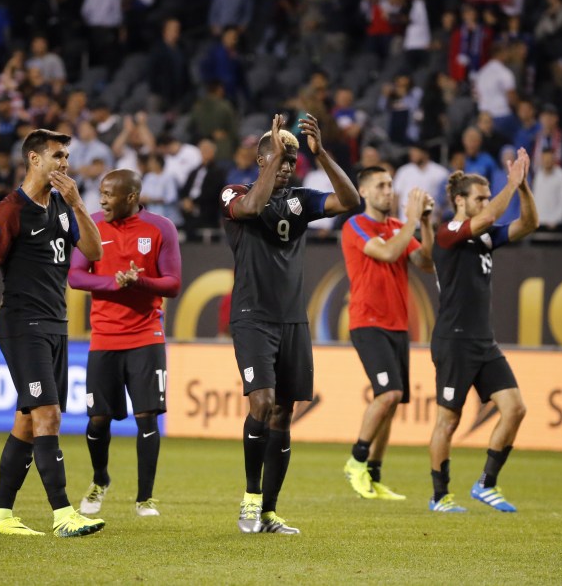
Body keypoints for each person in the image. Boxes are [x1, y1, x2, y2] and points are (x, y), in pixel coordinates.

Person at [0, 129, 106, 537]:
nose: (64, 163)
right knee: (47, 416)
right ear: (34, 159)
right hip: (23, 325)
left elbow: (95, 252)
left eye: (67, 156)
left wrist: (78, 204)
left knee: (25, 422)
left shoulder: (61, 205)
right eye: (57, 155)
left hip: (56, 325)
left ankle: (0, 515)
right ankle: (62, 515)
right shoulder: (8, 211)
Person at [222, 114, 360, 534]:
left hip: (293, 320)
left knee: (284, 413)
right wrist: (271, 164)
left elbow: (351, 201)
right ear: (261, 158)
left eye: (291, 159)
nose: (286, 165)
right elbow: (251, 207)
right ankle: (249, 500)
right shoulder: (235, 191)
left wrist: (321, 154)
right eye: (278, 158)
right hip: (252, 317)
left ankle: (269, 511)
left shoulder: (301, 199)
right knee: (261, 404)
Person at [428, 148, 538, 513]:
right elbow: (491, 216)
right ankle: (440, 496)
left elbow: (528, 224)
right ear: (460, 201)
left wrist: (521, 189)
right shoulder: (448, 232)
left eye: (488, 197)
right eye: (480, 197)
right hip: (453, 341)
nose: (487, 203)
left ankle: (486, 484)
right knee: (449, 420)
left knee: (515, 409)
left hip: (482, 341)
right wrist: (511, 183)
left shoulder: (485, 238)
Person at [68, 169, 182, 518]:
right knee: (98, 419)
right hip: (104, 336)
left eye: (108, 194)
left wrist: (140, 282)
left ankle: (144, 498)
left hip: (146, 335)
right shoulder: (92, 226)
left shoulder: (161, 227)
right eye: (100, 193)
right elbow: (75, 276)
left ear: (131, 197)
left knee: (147, 417)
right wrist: (114, 285)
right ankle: (100, 479)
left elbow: (173, 283)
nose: (101, 199)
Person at [341, 167, 435, 501]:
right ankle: (356, 461)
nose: (388, 190)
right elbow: (387, 253)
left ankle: (374, 476)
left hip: (397, 324)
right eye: (380, 185)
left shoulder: (398, 226)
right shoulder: (354, 226)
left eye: (390, 184)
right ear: (363, 191)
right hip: (368, 322)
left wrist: (423, 222)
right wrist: (410, 219)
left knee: (393, 403)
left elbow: (426, 261)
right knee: (389, 394)